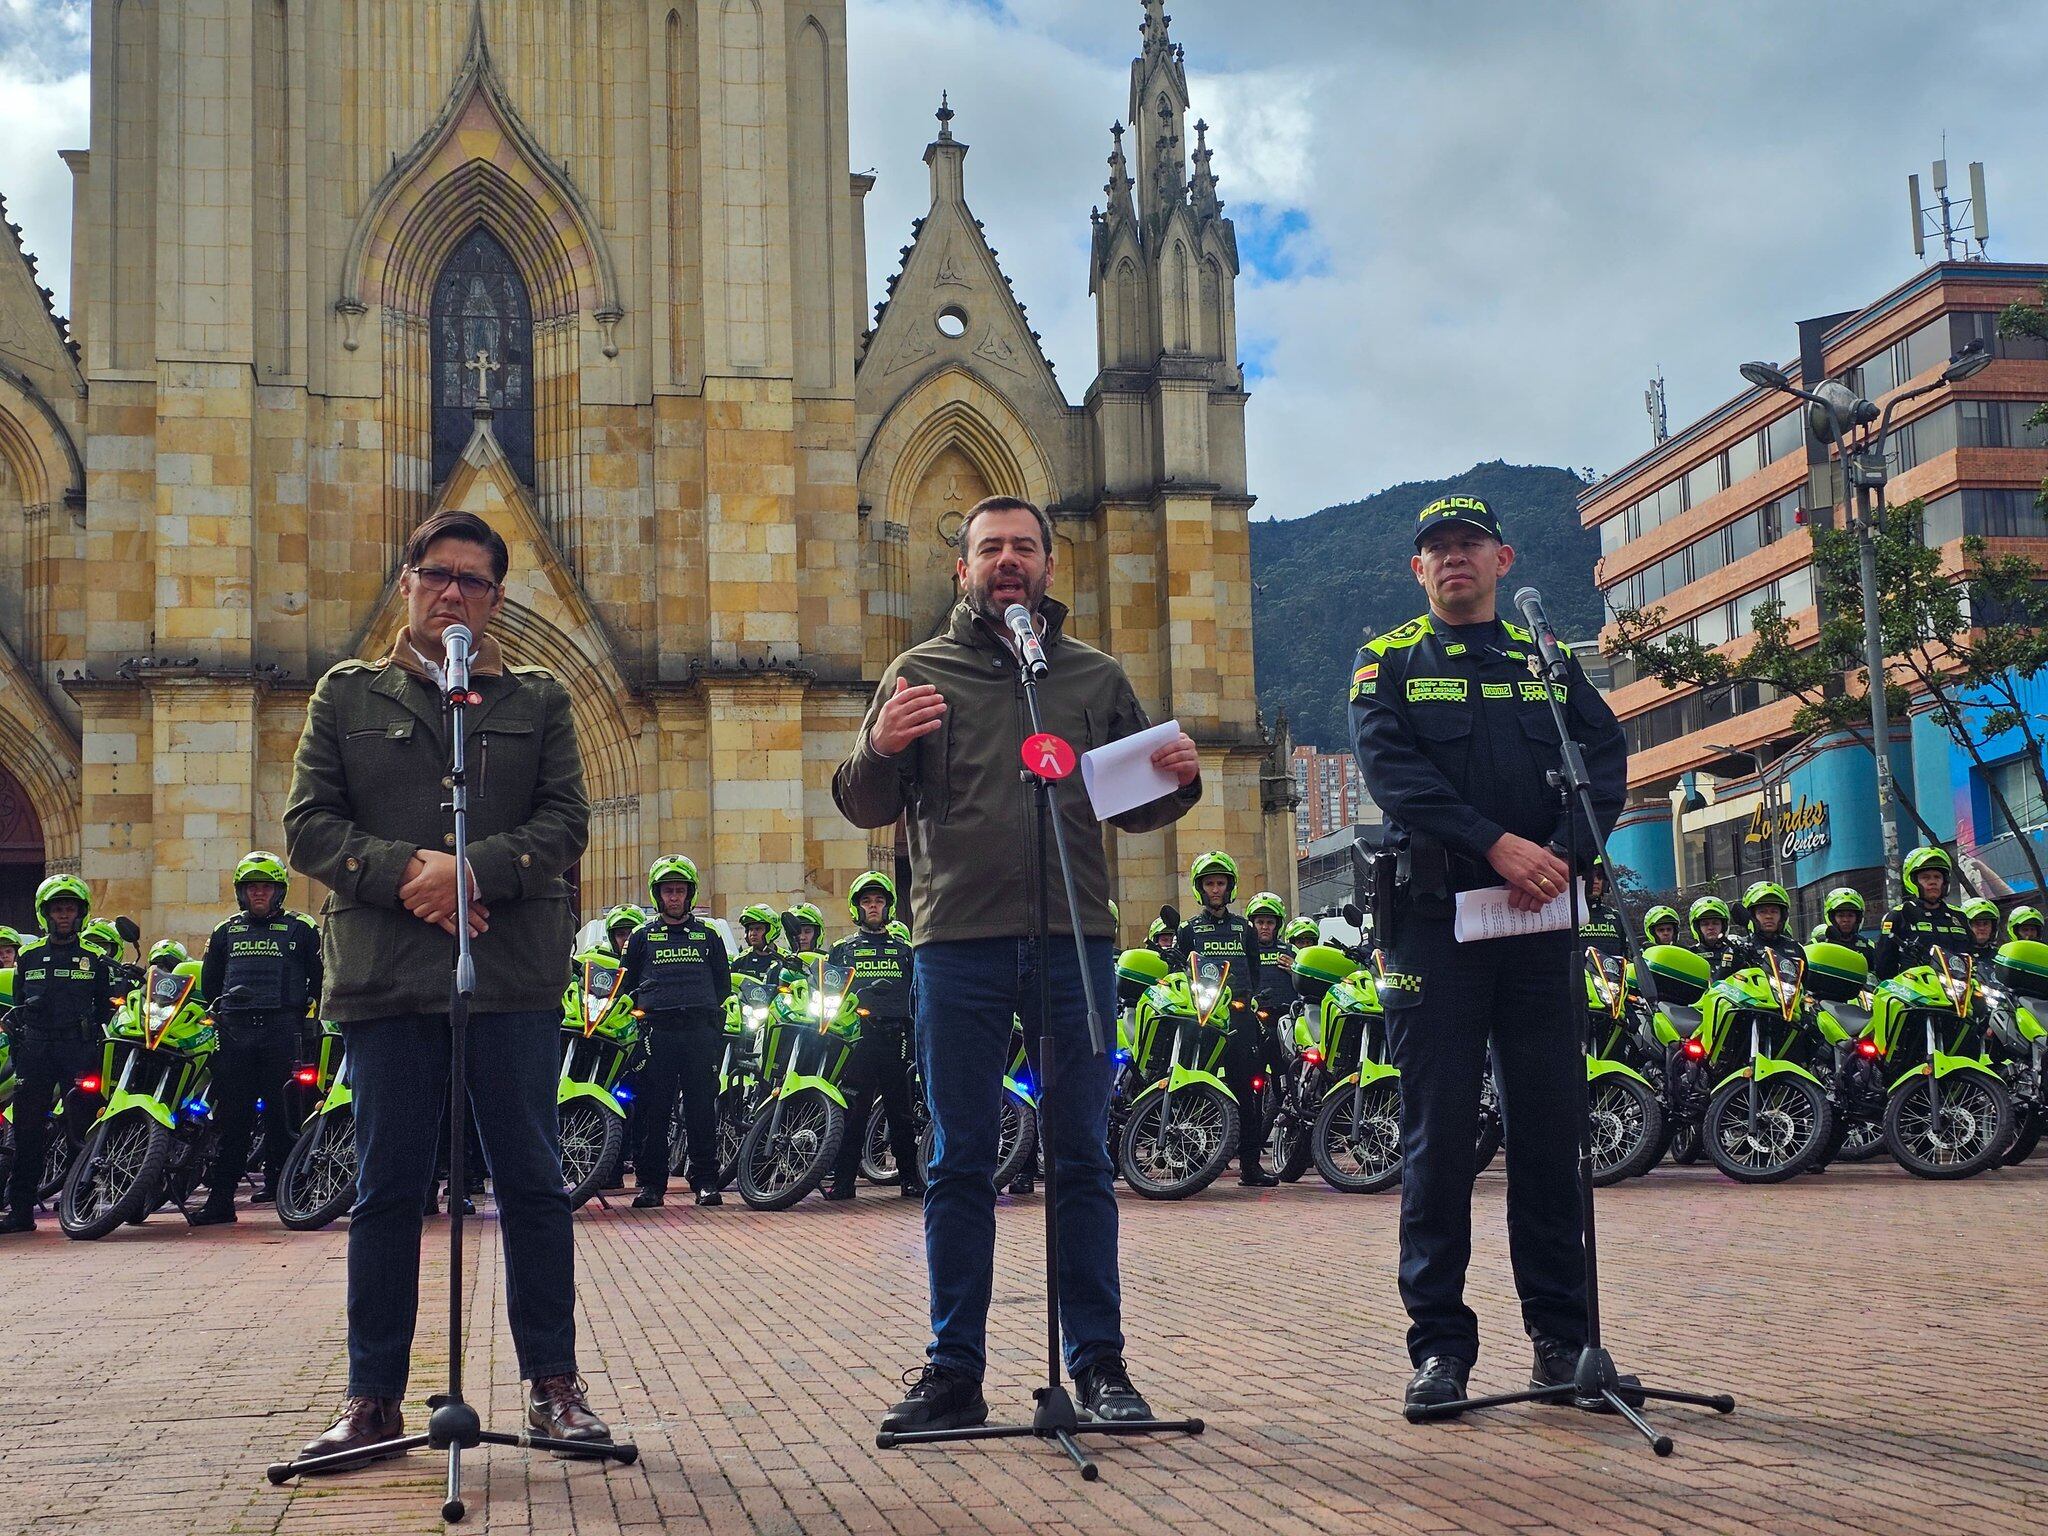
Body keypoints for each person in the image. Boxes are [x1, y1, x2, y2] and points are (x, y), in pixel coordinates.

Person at [833, 493, 1201, 1436]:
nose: (1008, 562)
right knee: (959, 1157)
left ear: (1048, 565)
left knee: (1081, 1154)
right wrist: (878, 746)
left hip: (1077, 940)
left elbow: (1135, 806)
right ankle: (953, 1368)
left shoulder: (1092, 676)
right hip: (956, 944)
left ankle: (1101, 1367)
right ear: (961, 569)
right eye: (990, 549)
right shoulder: (918, 671)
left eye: (1023, 548)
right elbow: (865, 803)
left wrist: (1179, 777)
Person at [282, 509, 610, 1462]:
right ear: (408, 583)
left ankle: (554, 1386)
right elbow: (309, 825)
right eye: (438, 575)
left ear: (497, 599)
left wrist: (475, 872)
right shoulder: (346, 697)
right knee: (386, 1190)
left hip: (507, 974)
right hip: (386, 978)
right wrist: (411, 875)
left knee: (535, 1186)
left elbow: (566, 822)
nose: (453, 592)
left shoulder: (539, 700)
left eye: (473, 580)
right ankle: (373, 1398)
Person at [1347, 493, 1629, 1416]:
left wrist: (1558, 857)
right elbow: (1395, 776)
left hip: (1541, 920)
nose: (1453, 559)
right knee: (1439, 1143)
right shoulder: (1386, 663)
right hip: (1435, 925)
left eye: (1469, 544)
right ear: (1417, 571)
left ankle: (1563, 1343)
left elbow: (1605, 754)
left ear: (1504, 559)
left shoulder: (1546, 660)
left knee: (1552, 1134)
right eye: (1437, 549)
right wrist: (1497, 844)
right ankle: (1440, 1352)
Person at [186, 852, 324, 1223]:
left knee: (285, 1118)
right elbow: (210, 982)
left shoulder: (302, 928)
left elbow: (319, 976)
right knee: (233, 1120)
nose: (258, 894)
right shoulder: (225, 931)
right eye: (252, 888)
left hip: (283, 1031)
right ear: (241, 893)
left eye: (265, 888)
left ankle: (292, 1195)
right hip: (235, 1033)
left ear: (279, 892)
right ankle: (221, 1202)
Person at [1, 875, 115, 1233]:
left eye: (69, 909)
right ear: (45, 914)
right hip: (35, 1050)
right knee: (27, 1132)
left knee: (81, 1129)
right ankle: (21, 1212)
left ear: (80, 914)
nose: (63, 915)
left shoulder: (94, 958)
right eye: (57, 909)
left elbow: (105, 1010)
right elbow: (18, 1004)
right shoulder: (29, 956)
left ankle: (81, 1205)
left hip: (77, 1051)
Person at [619, 855, 732, 1209]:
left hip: (699, 1033)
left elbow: (723, 985)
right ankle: (652, 1185)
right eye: (668, 891)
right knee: (654, 1111)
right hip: (657, 1034)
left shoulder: (709, 936)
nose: (673, 897)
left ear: (689, 894)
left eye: (679, 891)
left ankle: (705, 1182)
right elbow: (626, 985)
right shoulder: (641, 938)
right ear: (657, 895)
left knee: (701, 1110)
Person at [824, 872, 922, 1201]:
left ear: (889, 906)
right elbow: (829, 996)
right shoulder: (841, 950)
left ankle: (909, 1178)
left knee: (901, 1112)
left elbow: (918, 993)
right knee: (852, 1113)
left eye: (879, 900)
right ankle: (843, 1181)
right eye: (867, 901)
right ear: (857, 908)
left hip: (898, 1038)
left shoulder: (905, 950)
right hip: (856, 1040)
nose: (873, 906)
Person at [1175, 855, 1269, 1185]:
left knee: (1248, 1090)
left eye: (1221, 883)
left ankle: (1251, 1165)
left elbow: (1255, 973)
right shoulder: (1187, 930)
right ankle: (1195, 1159)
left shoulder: (1244, 928)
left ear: (1230, 887)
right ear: (1200, 889)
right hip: (1202, 1020)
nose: (1216, 889)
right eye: (1209, 883)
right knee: (1195, 1087)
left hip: (1240, 1019)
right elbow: (1178, 972)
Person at [1873, 846, 1973, 980]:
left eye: (1937, 877)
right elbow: (1883, 968)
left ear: (1945, 881)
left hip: (1960, 991)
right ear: (1913, 880)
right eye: (1925, 877)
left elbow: (1975, 957)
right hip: (1914, 992)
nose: (1933, 882)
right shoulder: (1898, 916)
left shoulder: (1959, 916)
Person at [1739, 881, 1803, 970]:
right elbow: (1720, 981)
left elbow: (1805, 982)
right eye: (1762, 912)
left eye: (1774, 911)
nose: (1769, 916)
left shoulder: (1795, 948)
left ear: (1783, 916)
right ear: (1752, 916)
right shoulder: (1741, 948)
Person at [1687, 896, 1748, 981]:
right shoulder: (1690, 955)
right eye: (1705, 924)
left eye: (1715, 923)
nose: (1711, 927)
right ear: (1697, 928)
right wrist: (1725, 969)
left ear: (1724, 926)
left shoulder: (1736, 950)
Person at [1810, 887, 1874, 964]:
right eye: (1840, 915)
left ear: (1858, 918)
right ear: (1831, 918)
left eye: (1850, 915)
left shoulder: (1868, 946)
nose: (1846, 920)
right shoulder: (1816, 944)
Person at [731, 904, 788, 985]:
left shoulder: (786, 959)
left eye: (758, 929)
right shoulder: (740, 960)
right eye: (750, 929)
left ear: (771, 930)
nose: (753, 933)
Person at [1577, 864, 1626, 959]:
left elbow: (1625, 955)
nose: (1596, 882)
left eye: (1599, 878)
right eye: (1591, 878)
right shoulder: (1569, 916)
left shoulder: (1616, 917)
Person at [1962, 898, 2002, 962]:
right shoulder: (1958, 955)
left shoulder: (2001, 956)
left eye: (1986, 923)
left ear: (1993, 927)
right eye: (1977, 923)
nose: (1982, 928)